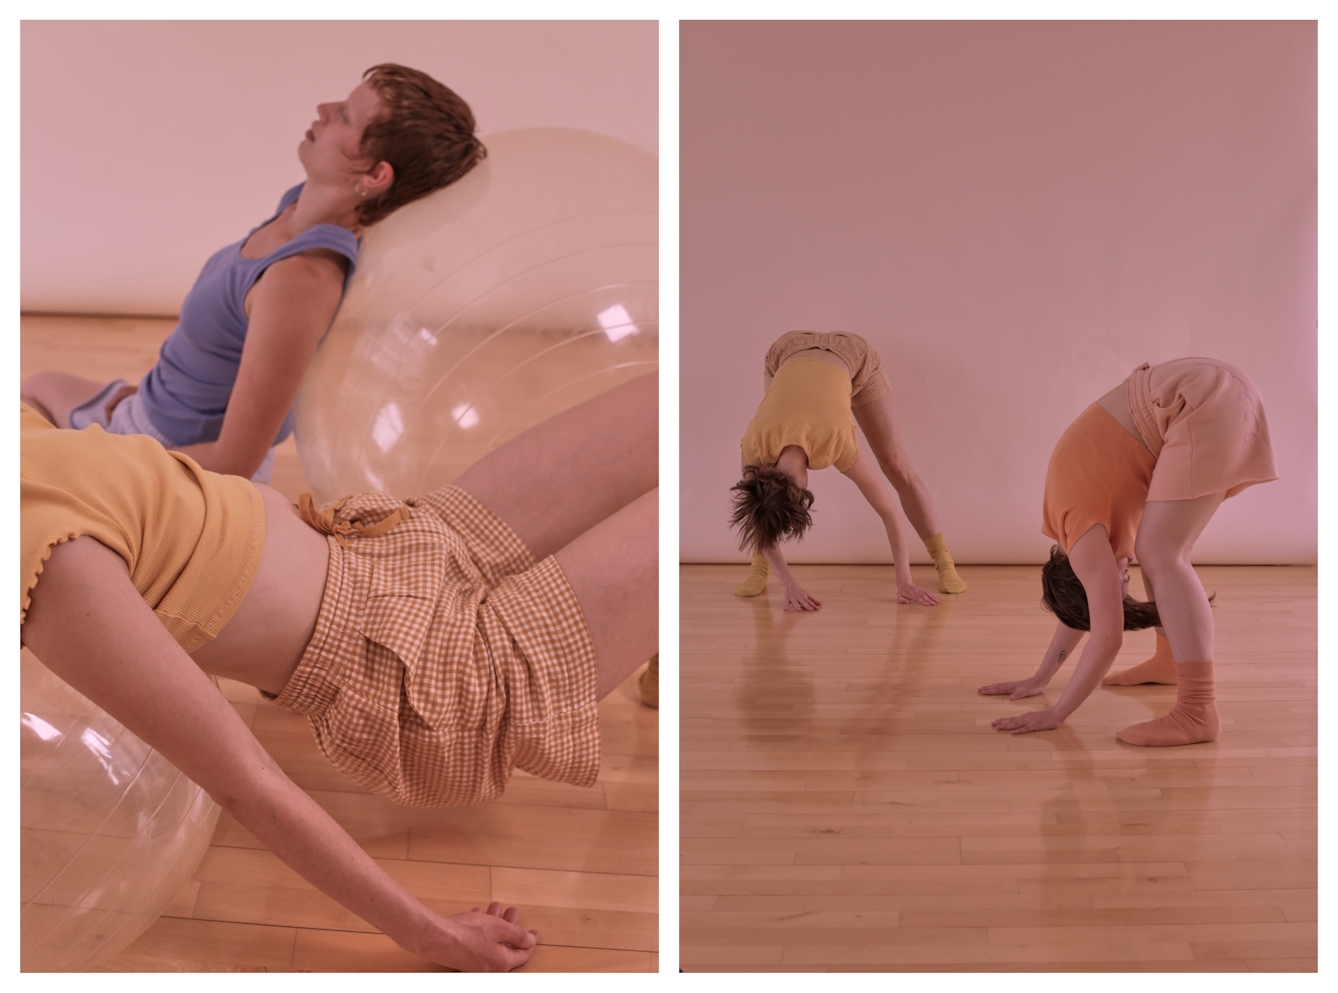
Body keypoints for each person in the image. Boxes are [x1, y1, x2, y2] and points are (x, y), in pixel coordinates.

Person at [20, 373, 657, 971]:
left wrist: (124, 398)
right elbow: (245, 780)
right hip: (433, 675)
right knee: (706, 478)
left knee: (668, 404)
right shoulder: (48, 569)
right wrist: (431, 933)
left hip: (403, 537)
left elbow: (43, 392)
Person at [20, 64, 484, 484]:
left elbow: (235, 461)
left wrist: (104, 464)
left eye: (344, 115)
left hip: (175, 459)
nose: (323, 110)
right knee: (37, 387)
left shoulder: (299, 282)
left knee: (25, 436)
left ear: (376, 175)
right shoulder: (298, 207)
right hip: (148, 410)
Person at [979, 358, 1277, 746]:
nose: (1123, 580)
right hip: (1206, 387)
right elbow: (1084, 609)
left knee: (1160, 552)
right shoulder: (1071, 525)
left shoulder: (1084, 534)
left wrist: (1057, 713)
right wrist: (1042, 676)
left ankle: (1196, 710)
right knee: (1157, 552)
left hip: (1201, 400)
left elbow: (1106, 635)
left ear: (1081, 573)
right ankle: (1171, 661)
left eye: (1118, 586)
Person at [729, 330, 966, 611]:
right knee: (763, 506)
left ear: (804, 490)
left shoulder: (835, 441)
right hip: (785, 352)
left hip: (852, 354)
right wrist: (788, 583)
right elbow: (755, 511)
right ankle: (761, 568)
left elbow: (889, 512)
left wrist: (904, 581)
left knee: (895, 465)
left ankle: (943, 561)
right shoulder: (755, 444)